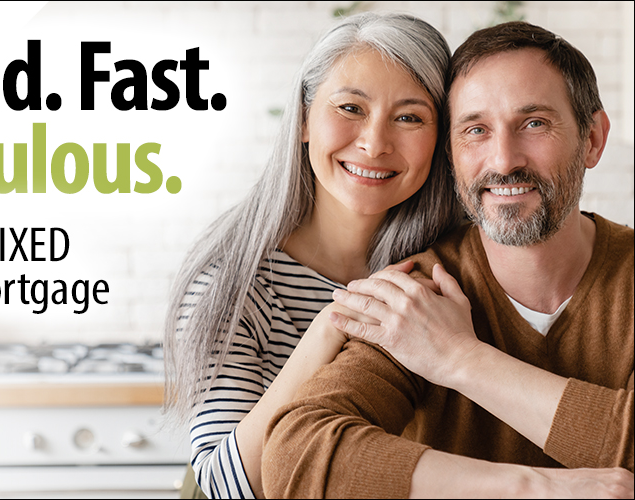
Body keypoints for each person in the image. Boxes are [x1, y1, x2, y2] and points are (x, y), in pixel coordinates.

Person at [262, 21, 634, 498]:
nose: (503, 160)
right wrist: (534, 488)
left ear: (593, 139)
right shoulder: (420, 294)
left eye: (534, 123)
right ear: (452, 153)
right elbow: (297, 458)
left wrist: (462, 359)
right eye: (475, 130)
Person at [162, 12, 463, 499]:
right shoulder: (233, 283)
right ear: (303, 119)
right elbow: (223, 486)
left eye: (409, 117)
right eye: (350, 108)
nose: (373, 142)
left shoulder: (450, 267)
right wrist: (335, 323)